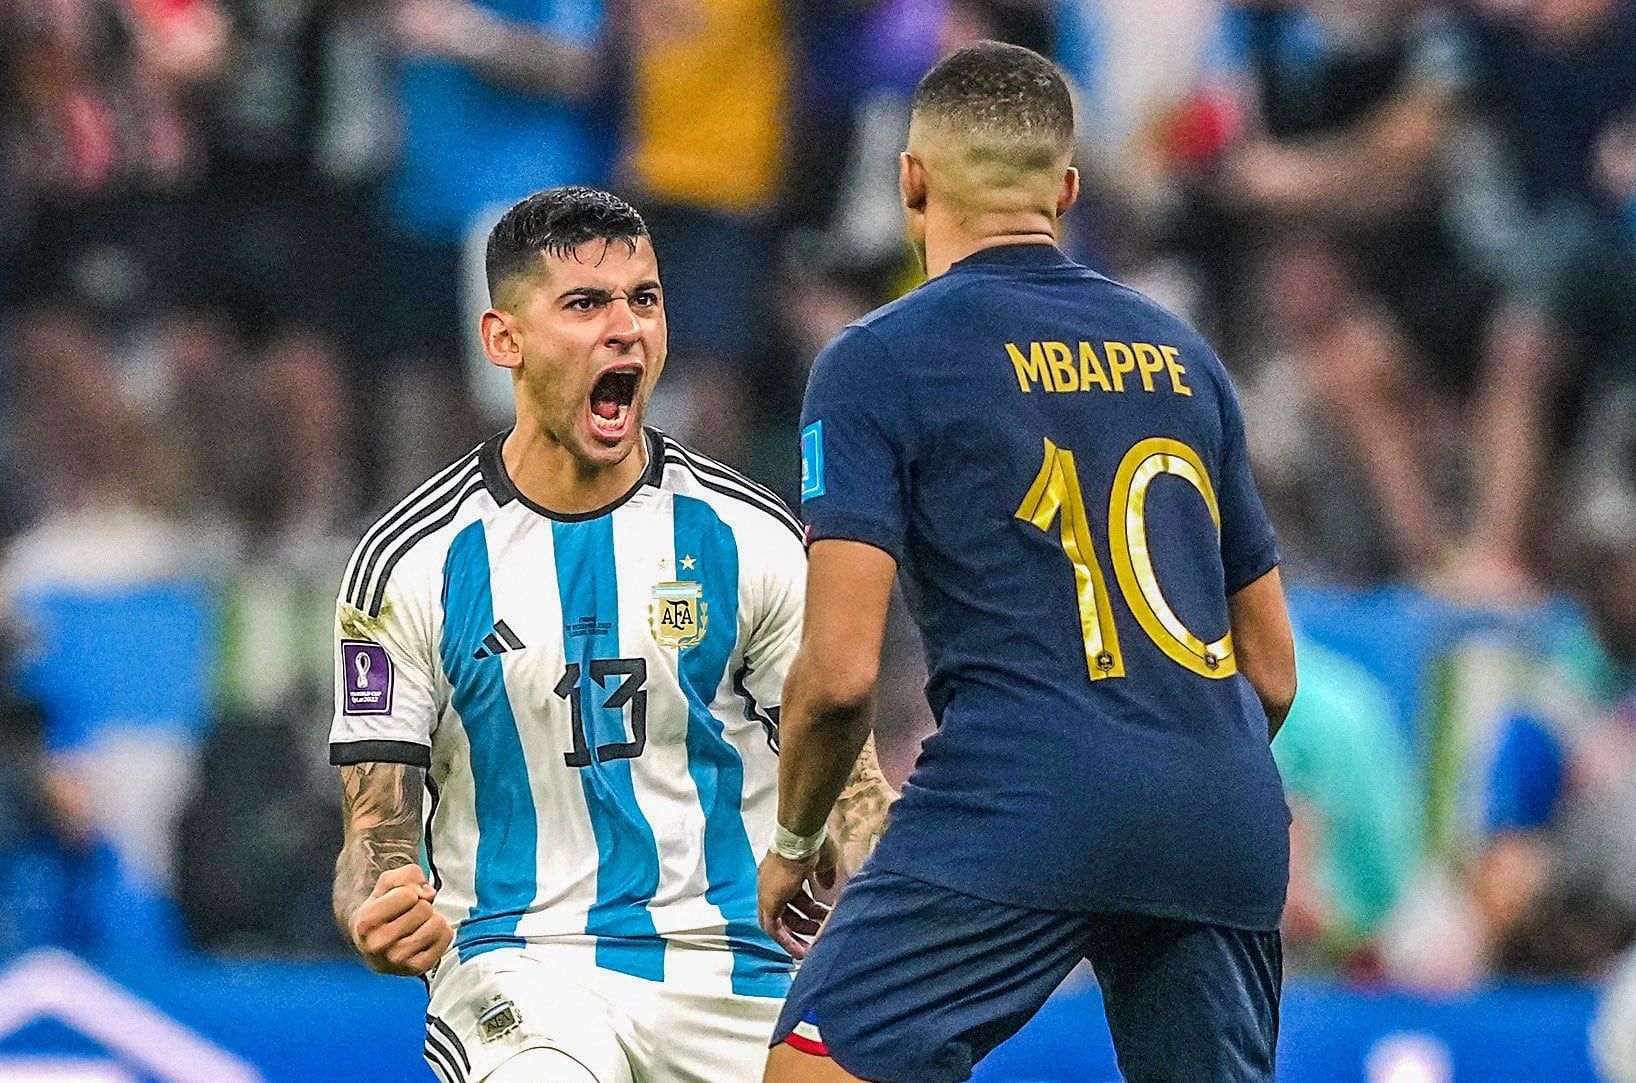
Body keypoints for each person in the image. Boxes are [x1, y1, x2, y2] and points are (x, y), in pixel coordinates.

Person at [758, 43, 1298, 1083]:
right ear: (1067, 190)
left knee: (812, 1070)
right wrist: (1158, 772)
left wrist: (795, 836)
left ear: (911, 181)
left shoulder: (877, 359)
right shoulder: (1184, 357)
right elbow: (1271, 670)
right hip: (1217, 804)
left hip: (1019, 790)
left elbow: (840, 674)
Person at [327, 187, 894, 1083]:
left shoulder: (749, 537)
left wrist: (930, 901)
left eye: (645, 299)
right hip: (522, 966)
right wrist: (378, 908)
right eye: (587, 304)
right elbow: (375, 841)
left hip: (738, 968)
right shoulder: (411, 562)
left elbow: (855, 796)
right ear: (504, 339)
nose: (626, 328)